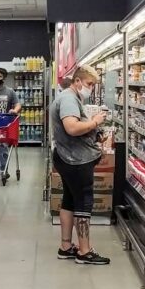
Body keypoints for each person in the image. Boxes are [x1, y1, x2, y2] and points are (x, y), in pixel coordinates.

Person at [50, 65, 110, 265]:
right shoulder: (68, 99)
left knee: (69, 200)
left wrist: (93, 133)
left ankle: (66, 247)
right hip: (76, 160)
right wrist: (95, 122)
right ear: (77, 81)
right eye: (89, 84)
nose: (90, 88)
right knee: (83, 202)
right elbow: (72, 128)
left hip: (67, 157)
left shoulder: (71, 97)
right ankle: (84, 251)